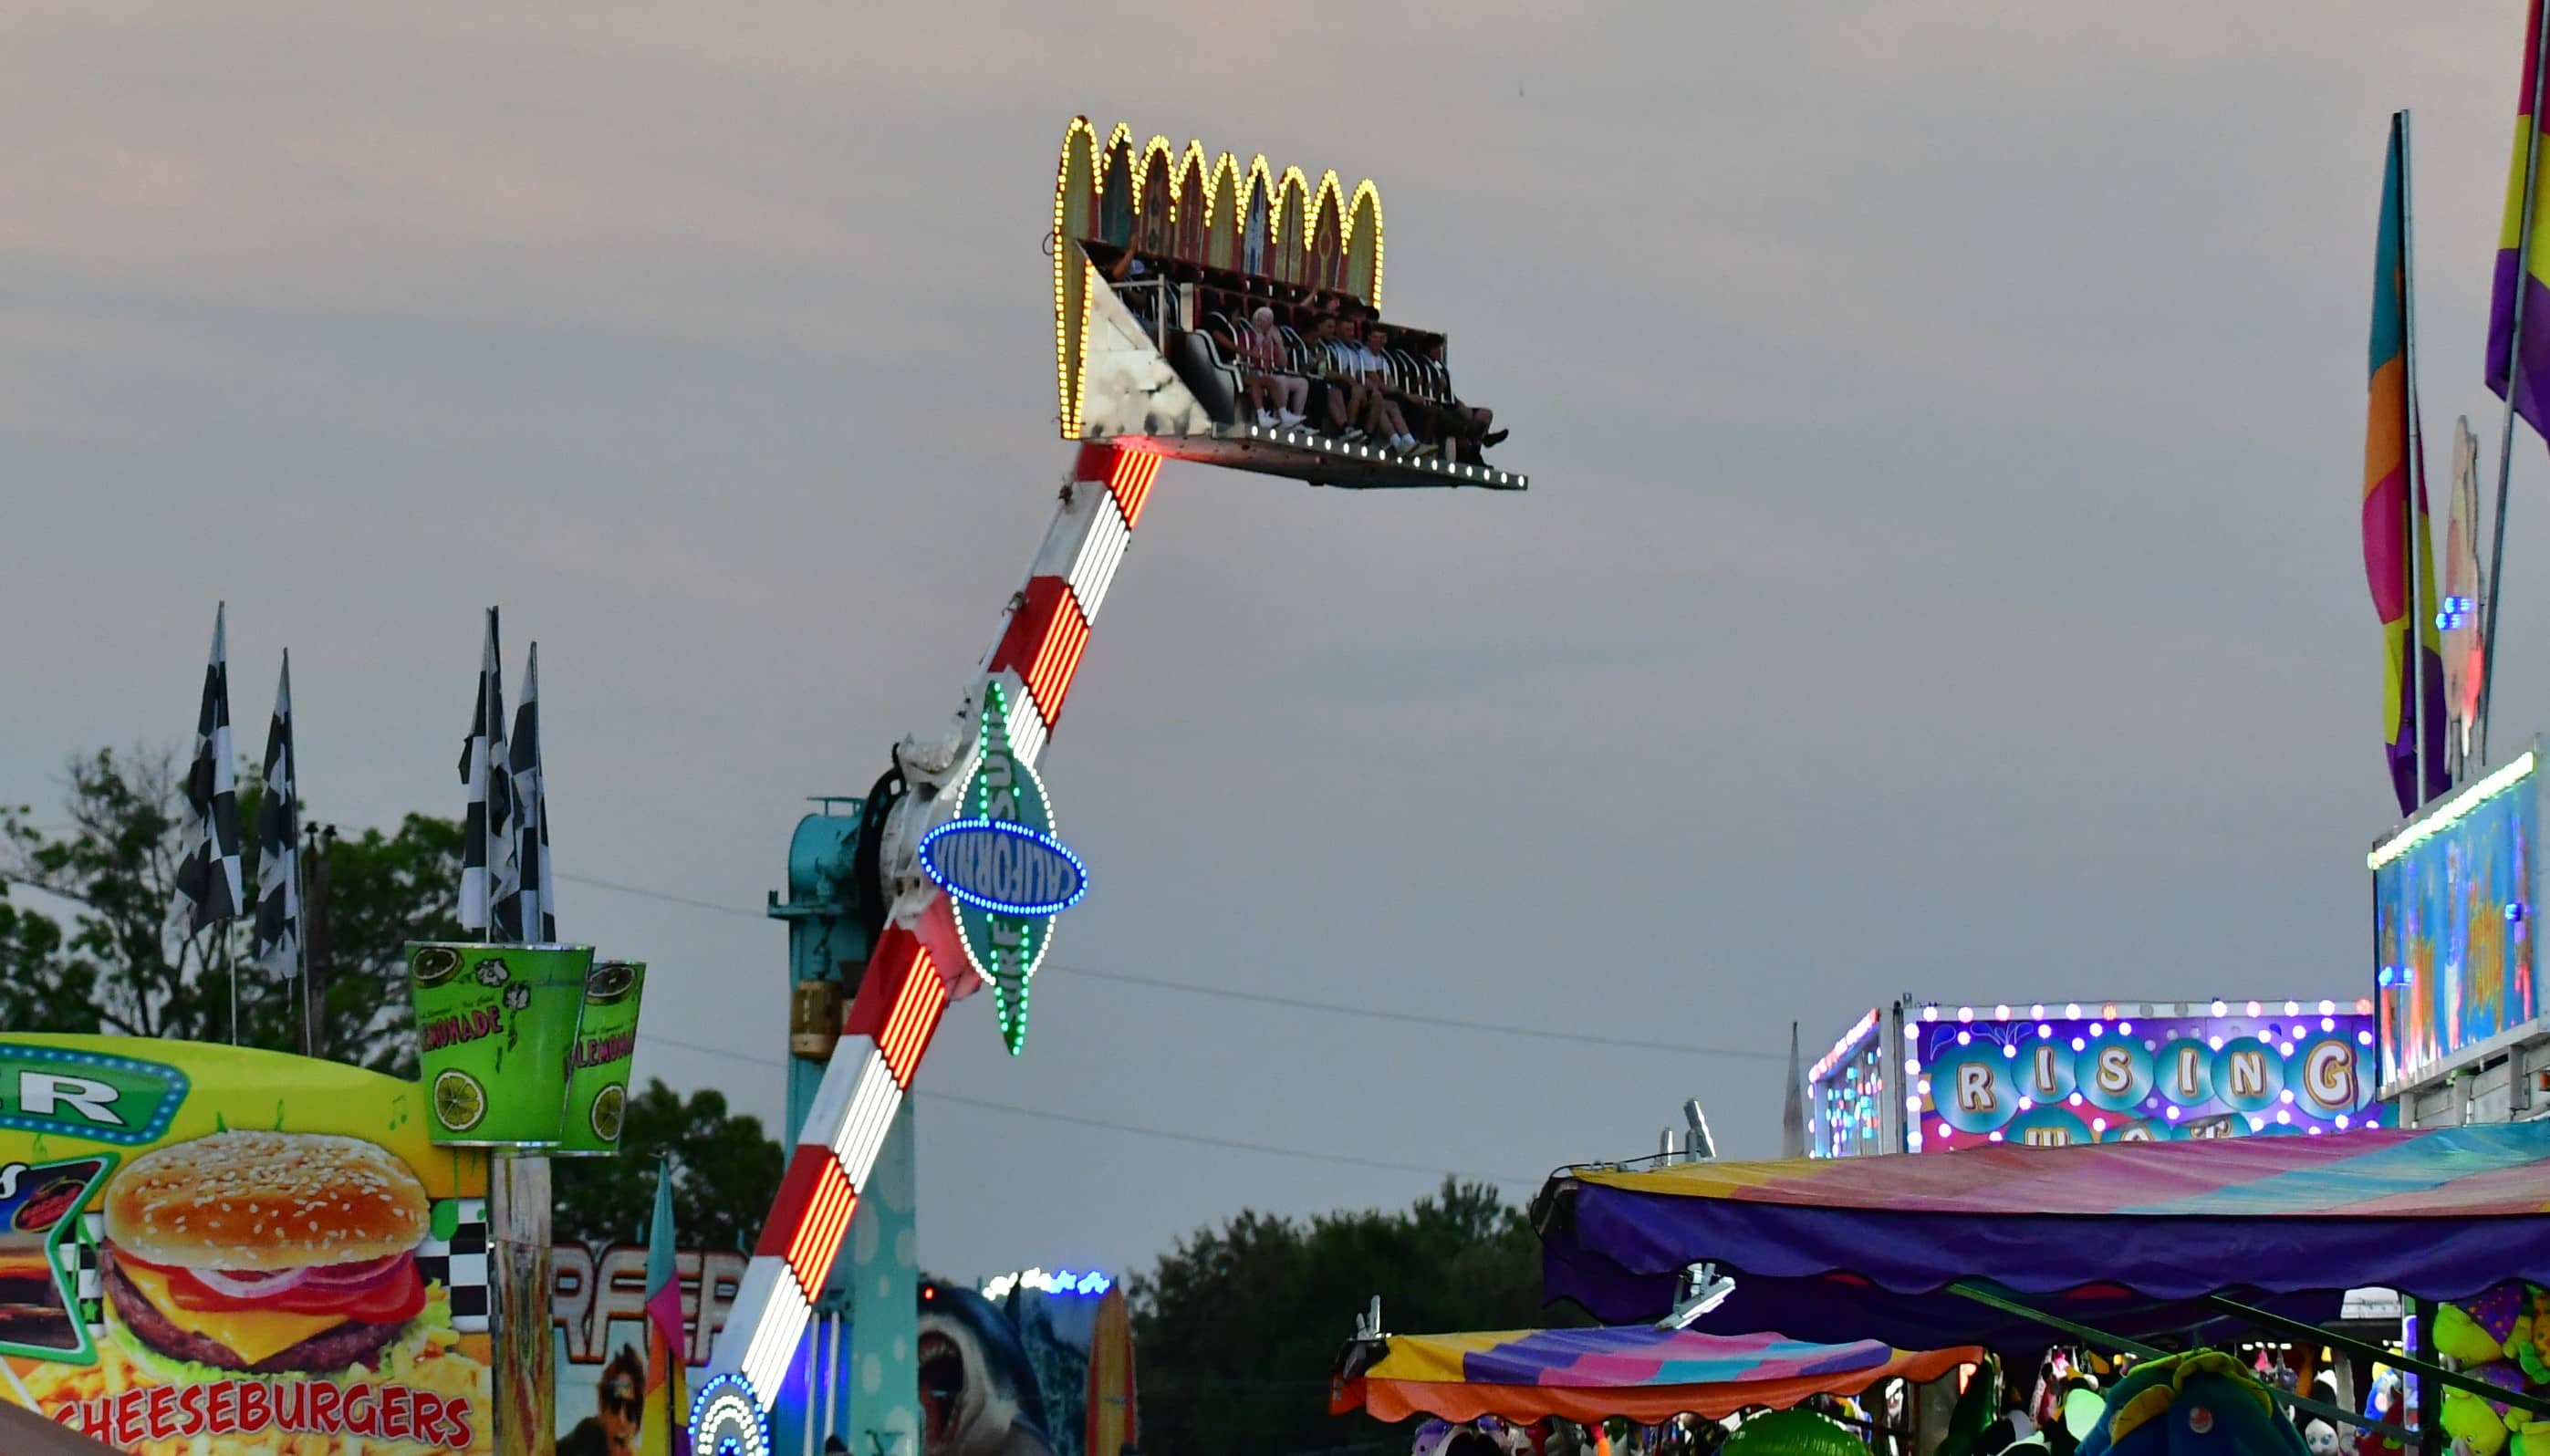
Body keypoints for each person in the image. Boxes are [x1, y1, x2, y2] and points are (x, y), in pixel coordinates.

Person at [558, 1347, 645, 1456]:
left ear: (637, 1425)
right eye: (615, 1405)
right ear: (603, 1412)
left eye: (631, 1411)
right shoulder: (586, 1436)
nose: (621, 1419)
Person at [1245, 307, 1307, 426]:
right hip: (1255, 372)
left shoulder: (1272, 339)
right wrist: (1258, 344)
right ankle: (1280, 419)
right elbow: (1245, 357)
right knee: (1281, 380)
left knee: (1302, 383)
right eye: (1265, 319)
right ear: (1257, 321)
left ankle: (1294, 422)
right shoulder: (1248, 335)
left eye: (1270, 320)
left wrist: (1279, 342)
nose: (1269, 323)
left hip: (1272, 373)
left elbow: (1282, 363)